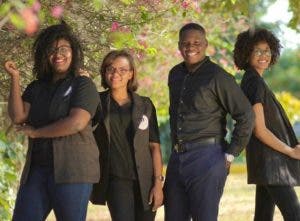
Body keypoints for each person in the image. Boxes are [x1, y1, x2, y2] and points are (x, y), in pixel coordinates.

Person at [4, 22, 100, 220]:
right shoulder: (37, 87)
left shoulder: (83, 84)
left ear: (73, 52)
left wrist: (36, 132)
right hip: (38, 169)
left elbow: (76, 123)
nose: (58, 54)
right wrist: (15, 78)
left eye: (64, 49)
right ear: (44, 55)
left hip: (73, 170)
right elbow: (18, 116)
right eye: (52, 50)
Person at [163, 22, 254, 221]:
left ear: (205, 44)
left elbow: (246, 115)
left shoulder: (218, 77)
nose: (190, 47)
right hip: (177, 158)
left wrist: (231, 154)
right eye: (185, 43)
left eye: (196, 42)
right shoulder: (175, 74)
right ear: (179, 46)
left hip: (208, 157)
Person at [234, 27, 300, 221]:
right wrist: (290, 151)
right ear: (246, 53)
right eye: (258, 50)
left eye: (267, 50)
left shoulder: (252, 80)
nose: (264, 55)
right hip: (272, 162)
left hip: (265, 162)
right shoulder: (254, 82)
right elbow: (260, 130)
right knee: (295, 214)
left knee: (263, 216)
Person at [90, 50, 163, 221]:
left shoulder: (145, 105)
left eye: (122, 70)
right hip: (116, 180)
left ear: (131, 74)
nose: (116, 74)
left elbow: (155, 146)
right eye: (111, 69)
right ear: (104, 72)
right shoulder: (97, 103)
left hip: (146, 181)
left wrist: (158, 184)